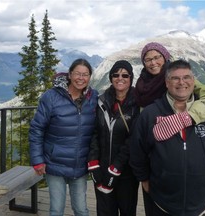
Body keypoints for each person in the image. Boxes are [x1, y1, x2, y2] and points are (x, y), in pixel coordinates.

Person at [130, 59, 205, 216]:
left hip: (203, 201)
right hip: (161, 201)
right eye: (175, 78)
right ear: (166, 82)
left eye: (186, 77)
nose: (181, 82)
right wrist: (143, 178)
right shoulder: (150, 115)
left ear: (193, 81)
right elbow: (137, 150)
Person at [29, 58, 98, 216]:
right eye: (77, 74)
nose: (81, 78)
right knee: (56, 209)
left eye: (85, 74)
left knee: (81, 209)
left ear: (89, 77)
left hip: (80, 164)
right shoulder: (51, 97)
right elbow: (36, 129)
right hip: (55, 163)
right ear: (70, 75)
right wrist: (37, 160)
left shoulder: (93, 97)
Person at [88, 60, 140, 216]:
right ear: (110, 77)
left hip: (126, 173)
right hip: (102, 170)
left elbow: (134, 139)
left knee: (127, 211)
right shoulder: (101, 101)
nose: (120, 78)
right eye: (116, 75)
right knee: (105, 212)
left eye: (125, 75)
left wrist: (116, 167)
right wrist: (93, 163)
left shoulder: (138, 104)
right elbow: (94, 132)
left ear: (131, 78)